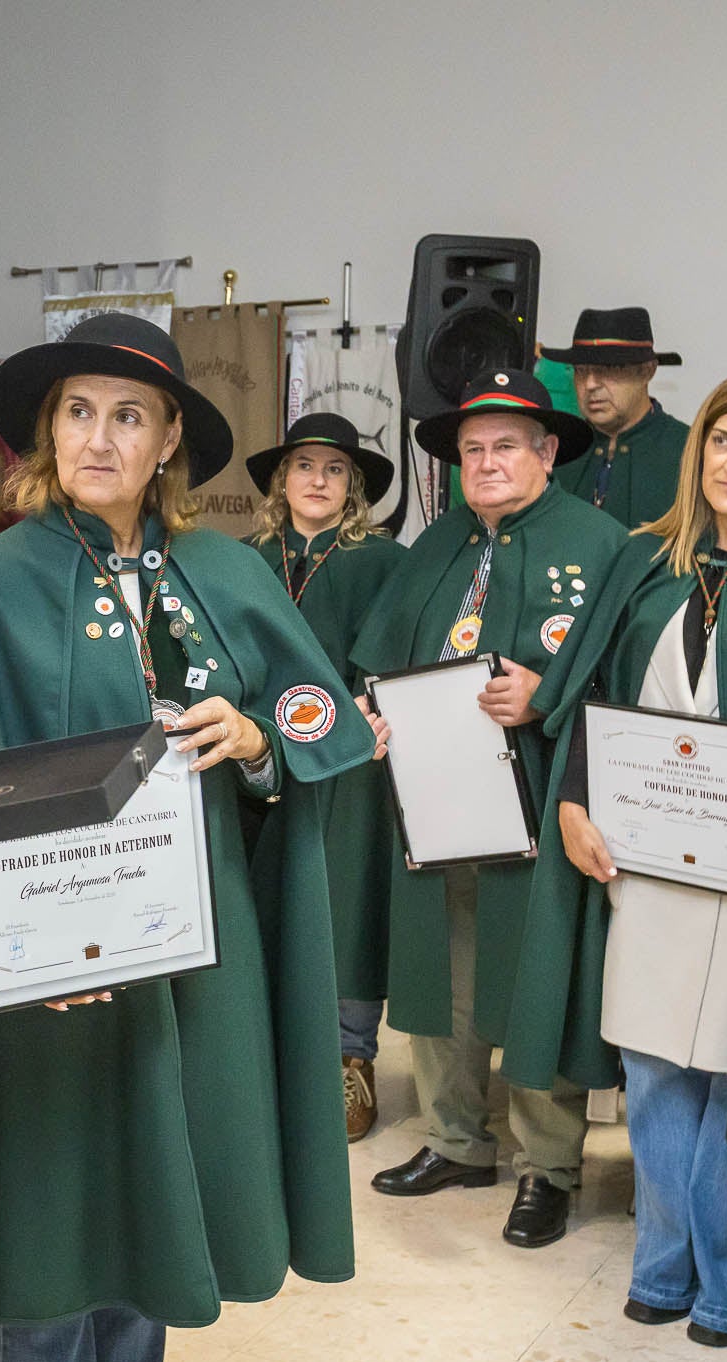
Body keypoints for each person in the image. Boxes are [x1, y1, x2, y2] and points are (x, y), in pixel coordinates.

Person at [0, 314, 378, 1362]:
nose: (98, 439)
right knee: (49, 1219)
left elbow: (314, 723)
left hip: (195, 960)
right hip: (41, 970)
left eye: (128, 417)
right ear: (48, 433)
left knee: (160, 1194)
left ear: (165, 446)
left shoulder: (226, 575)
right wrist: (13, 944)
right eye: (78, 413)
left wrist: (250, 741)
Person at [512, 369, 727, 1346]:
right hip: (643, 858)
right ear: (696, 449)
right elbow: (594, 692)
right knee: (654, 1066)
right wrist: (576, 800)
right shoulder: (645, 561)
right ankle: (662, 1265)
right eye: (721, 442)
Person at [350, 367, 628, 1249]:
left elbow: (632, 682)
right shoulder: (436, 546)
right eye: (471, 450)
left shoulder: (602, 544)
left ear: (547, 452)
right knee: (443, 973)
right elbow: (380, 663)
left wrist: (548, 696)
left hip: (544, 803)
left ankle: (548, 1166)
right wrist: (372, 710)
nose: (487, 462)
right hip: (435, 804)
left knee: (533, 976)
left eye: (506, 445)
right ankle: (457, 1138)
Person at [243, 412, 405, 1142]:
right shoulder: (245, 559)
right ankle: (267, 1059)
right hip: (257, 752)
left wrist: (373, 712)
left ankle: (350, 1057)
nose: (317, 479)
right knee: (259, 893)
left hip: (350, 759)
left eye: (334, 469)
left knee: (347, 901)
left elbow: (399, 656)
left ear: (353, 487)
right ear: (282, 478)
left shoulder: (382, 563)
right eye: (304, 465)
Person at [541, 307, 692, 528]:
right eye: (581, 370)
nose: (590, 384)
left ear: (647, 371)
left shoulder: (689, 450)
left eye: (608, 368)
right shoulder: (559, 451)